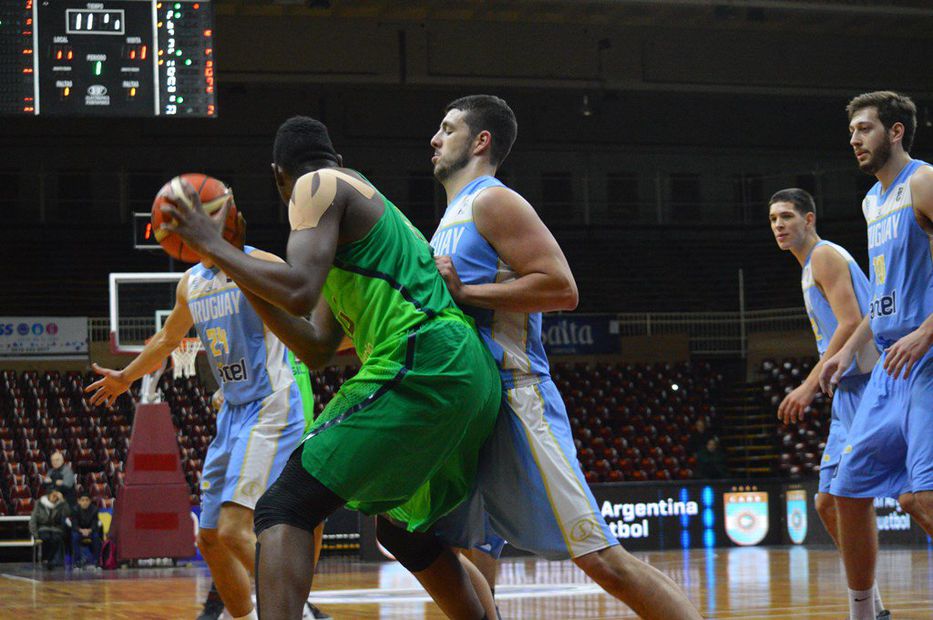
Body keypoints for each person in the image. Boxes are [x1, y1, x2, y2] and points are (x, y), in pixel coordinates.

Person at [160, 116, 503, 620]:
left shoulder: (314, 186)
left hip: (424, 356)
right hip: (463, 373)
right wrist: (238, 269)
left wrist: (213, 246)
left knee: (282, 508)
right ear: (335, 158)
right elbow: (317, 347)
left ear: (281, 175)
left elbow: (297, 287)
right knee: (403, 532)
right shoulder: (354, 208)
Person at [428, 94, 701, 620]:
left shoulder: (493, 201)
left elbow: (561, 288)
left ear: (481, 141)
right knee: (470, 553)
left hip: (515, 395)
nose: (434, 139)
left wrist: (467, 294)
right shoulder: (450, 217)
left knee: (602, 560)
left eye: (447, 128)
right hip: (469, 406)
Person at [86, 216, 309, 620]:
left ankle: (297, 611)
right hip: (233, 412)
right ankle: (240, 615)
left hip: (271, 405)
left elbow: (305, 301)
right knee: (208, 539)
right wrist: (125, 376)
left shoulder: (261, 263)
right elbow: (170, 338)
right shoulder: (190, 283)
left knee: (233, 528)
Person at [820, 90, 933, 620]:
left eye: (864, 129)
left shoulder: (923, 182)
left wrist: (928, 332)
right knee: (846, 490)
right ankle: (866, 613)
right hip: (889, 360)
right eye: (851, 132)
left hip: (925, 357)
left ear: (895, 132)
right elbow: (884, 293)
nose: (854, 140)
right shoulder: (871, 202)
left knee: (920, 500)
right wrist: (850, 348)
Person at [29, 490, 70, 569]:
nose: (54, 497)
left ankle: (51, 560)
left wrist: (63, 501)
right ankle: (47, 559)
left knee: (56, 538)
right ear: (48, 495)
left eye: (56, 496)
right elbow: (33, 520)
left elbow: (68, 513)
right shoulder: (40, 503)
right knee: (46, 537)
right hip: (43, 528)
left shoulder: (60, 504)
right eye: (53, 495)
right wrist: (35, 534)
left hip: (56, 529)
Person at [69, 493, 102, 570]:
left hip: (90, 531)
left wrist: (89, 530)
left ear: (90, 501)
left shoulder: (94, 510)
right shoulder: (75, 509)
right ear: (79, 501)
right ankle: (76, 563)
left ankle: (96, 563)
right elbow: (74, 524)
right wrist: (81, 530)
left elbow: (95, 523)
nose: (85, 502)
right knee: (75, 537)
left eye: (87, 500)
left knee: (96, 537)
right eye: (82, 500)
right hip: (79, 531)